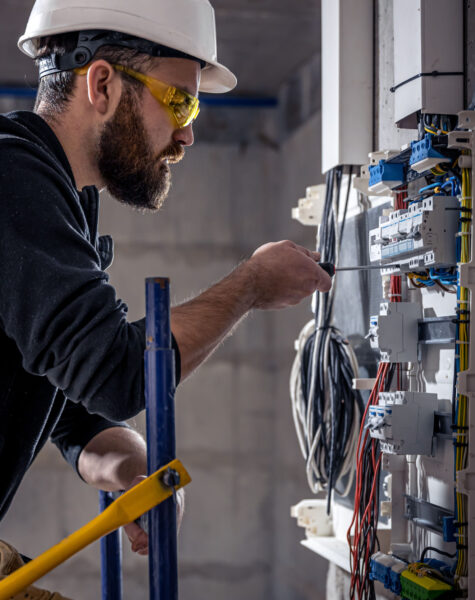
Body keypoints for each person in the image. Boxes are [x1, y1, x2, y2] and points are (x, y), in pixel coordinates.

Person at [0, 0, 332, 596]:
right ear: (101, 83)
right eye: (179, 100)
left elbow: (69, 403)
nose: (187, 133)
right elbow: (119, 373)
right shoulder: (11, 179)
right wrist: (251, 284)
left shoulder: (59, 197)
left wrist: (133, 464)